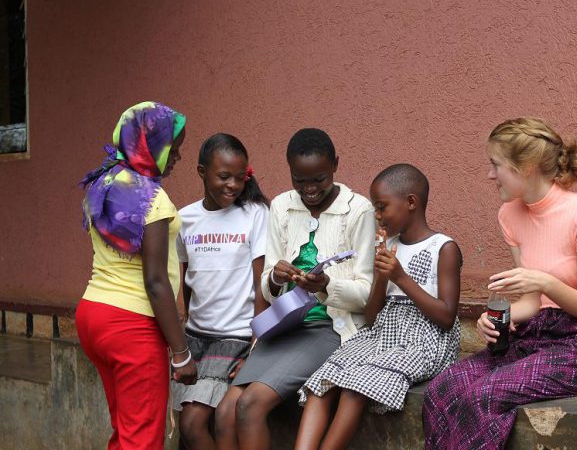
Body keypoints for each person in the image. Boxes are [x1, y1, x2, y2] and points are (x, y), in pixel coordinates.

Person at [422, 117, 577, 450]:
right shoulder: (510, 214)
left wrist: (545, 281)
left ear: (526, 167)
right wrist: (501, 319)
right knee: (441, 390)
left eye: (496, 165)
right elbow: (531, 302)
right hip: (540, 331)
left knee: (484, 396)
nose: (490, 174)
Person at [214, 128, 376, 450]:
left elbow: (368, 294)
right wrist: (276, 277)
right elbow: (268, 288)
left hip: (331, 328)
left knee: (249, 406)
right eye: (299, 180)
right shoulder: (283, 207)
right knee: (224, 412)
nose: (310, 189)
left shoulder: (358, 210)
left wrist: (327, 284)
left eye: (318, 179)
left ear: (335, 166)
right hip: (286, 322)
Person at [296, 163, 462, 450]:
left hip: (424, 340)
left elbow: (446, 317)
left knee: (354, 386)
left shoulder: (443, 247)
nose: (378, 216)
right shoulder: (389, 247)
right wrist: (383, 279)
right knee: (323, 380)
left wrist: (399, 276)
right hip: (382, 334)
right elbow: (372, 317)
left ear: (411, 202)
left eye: (382, 207)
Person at [76, 102, 197, 450]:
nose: (178, 157)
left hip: (94, 316)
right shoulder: (151, 198)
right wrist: (181, 352)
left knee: (126, 432)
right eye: (173, 149)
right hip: (133, 326)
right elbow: (155, 281)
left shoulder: (102, 183)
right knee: (141, 440)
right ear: (149, 144)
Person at [172, 133, 270, 450]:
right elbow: (185, 279)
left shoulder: (254, 214)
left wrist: (257, 344)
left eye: (239, 178)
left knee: (192, 422)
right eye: (223, 176)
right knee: (185, 429)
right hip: (195, 338)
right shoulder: (184, 219)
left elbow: (262, 284)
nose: (232, 185)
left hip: (235, 338)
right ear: (201, 172)